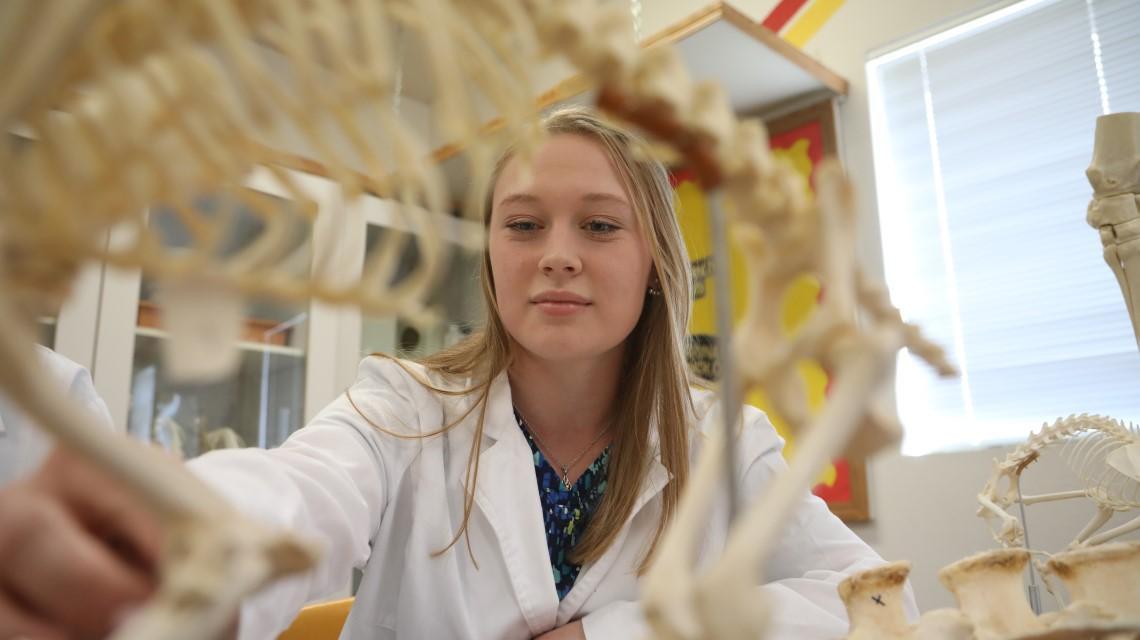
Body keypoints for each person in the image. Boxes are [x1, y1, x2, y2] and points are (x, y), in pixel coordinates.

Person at [0, 108, 907, 639]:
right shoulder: (400, 406)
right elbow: (299, 494)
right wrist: (181, 538)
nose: (556, 255)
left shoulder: (725, 438)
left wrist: (610, 635)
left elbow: (870, 603)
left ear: (657, 266)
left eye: (598, 226)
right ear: (492, 261)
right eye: (522, 225)